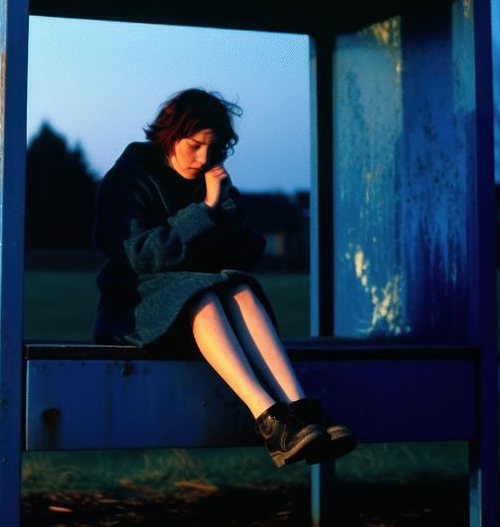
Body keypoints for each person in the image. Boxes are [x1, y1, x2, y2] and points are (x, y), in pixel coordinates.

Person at [92, 88, 355, 468]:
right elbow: (141, 255)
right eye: (194, 146)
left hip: (197, 302)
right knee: (206, 292)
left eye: (212, 149)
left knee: (242, 288)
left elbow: (245, 256)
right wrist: (206, 209)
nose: (202, 159)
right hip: (134, 305)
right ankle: (269, 419)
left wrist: (226, 209)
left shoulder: (212, 179)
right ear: (169, 136)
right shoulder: (129, 178)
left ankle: (301, 411)